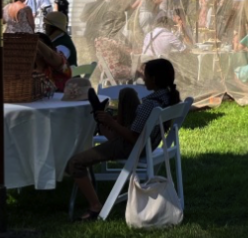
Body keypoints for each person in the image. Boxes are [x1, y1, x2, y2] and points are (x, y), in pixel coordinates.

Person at [67, 58, 181, 221]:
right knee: (126, 93)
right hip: (148, 144)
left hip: (134, 146)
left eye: (146, 75)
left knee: (75, 163)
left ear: (154, 79)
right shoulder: (168, 98)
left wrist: (111, 122)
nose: (143, 78)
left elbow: (134, 138)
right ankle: (109, 132)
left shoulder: (150, 105)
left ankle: (95, 206)